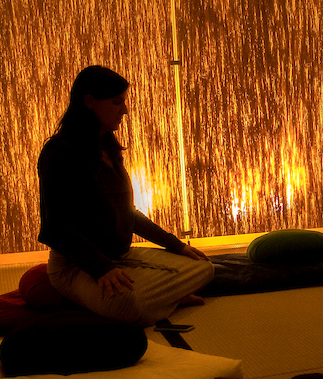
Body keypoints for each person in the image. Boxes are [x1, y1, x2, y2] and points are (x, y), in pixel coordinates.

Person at [37, 65, 213, 326]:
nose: (125, 110)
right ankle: (163, 298)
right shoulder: (59, 152)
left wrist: (176, 245)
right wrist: (101, 269)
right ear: (90, 102)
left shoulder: (107, 145)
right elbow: (57, 226)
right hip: (76, 265)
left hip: (121, 257)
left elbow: (128, 213)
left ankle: (158, 299)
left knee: (204, 267)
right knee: (126, 305)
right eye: (117, 102)